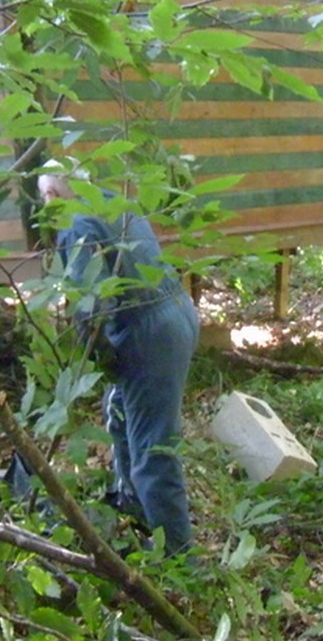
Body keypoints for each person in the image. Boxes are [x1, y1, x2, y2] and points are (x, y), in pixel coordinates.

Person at [37, 169, 201, 555]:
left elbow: (89, 306)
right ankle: (133, 515)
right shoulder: (117, 203)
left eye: (48, 196)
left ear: (59, 191)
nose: (47, 206)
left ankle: (177, 559)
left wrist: (95, 360)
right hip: (177, 310)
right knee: (119, 412)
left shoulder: (77, 224)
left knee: (153, 451)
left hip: (148, 332)